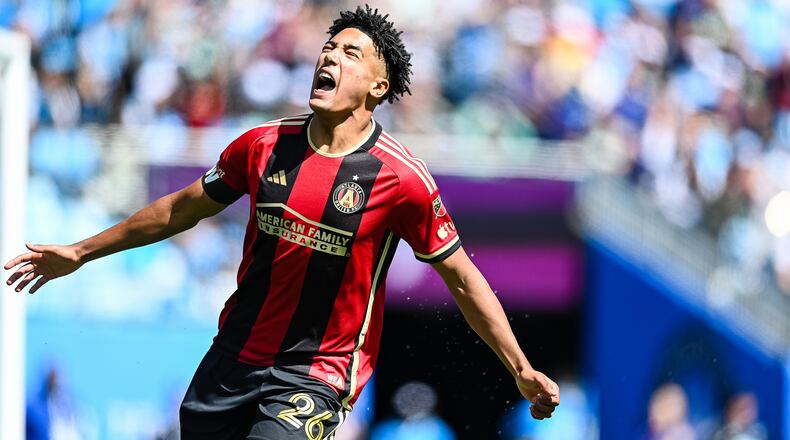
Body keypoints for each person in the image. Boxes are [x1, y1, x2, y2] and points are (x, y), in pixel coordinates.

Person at [5, 5, 560, 439]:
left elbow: (462, 277)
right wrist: (79, 252)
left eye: (351, 53)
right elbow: (179, 209)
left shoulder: (402, 180)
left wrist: (519, 368)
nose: (331, 57)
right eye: (329, 47)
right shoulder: (262, 146)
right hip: (233, 356)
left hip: (316, 375)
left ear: (378, 87)